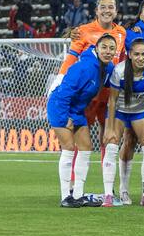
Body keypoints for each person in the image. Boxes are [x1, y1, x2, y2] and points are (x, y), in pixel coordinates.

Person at [47, 34, 119, 207]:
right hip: (60, 106)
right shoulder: (83, 67)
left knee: (86, 148)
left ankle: (78, 195)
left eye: (111, 48)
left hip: (78, 110)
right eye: (104, 47)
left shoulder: (108, 67)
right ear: (96, 49)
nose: (108, 51)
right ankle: (66, 197)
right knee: (69, 148)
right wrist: (65, 118)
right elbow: (64, 92)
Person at [101, 39, 144, 208]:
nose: (141, 58)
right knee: (111, 145)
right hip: (119, 111)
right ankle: (109, 195)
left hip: (140, 112)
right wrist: (109, 128)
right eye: (137, 54)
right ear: (129, 55)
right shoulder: (119, 71)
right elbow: (112, 100)